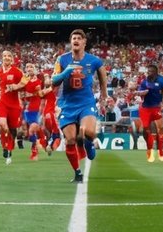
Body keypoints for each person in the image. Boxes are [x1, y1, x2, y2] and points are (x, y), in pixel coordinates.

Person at [51, 29, 108, 183]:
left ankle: (89, 145)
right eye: (73, 38)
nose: (75, 40)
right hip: (67, 104)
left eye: (78, 38)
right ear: (71, 42)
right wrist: (65, 73)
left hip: (86, 103)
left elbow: (103, 75)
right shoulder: (62, 60)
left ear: (84, 42)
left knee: (88, 131)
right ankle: (77, 172)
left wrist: (104, 95)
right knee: (70, 140)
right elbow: (53, 81)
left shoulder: (94, 60)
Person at [133, 63, 163, 163]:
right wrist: (139, 93)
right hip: (145, 109)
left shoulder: (162, 80)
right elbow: (142, 92)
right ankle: (149, 149)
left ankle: (161, 150)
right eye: (148, 71)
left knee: (161, 128)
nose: (149, 73)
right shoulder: (144, 82)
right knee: (145, 130)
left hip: (156, 108)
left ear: (155, 72)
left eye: (151, 71)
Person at [0, 50, 25, 165]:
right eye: (4, 56)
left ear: (12, 58)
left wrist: (16, 86)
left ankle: (9, 148)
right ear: (2, 58)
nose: (6, 58)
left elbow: (25, 82)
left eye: (9, 56)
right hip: (2, 102)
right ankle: (4, 145)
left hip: (14, 105)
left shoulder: (17, 71)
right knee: (3, 125)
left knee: (12, 129)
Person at [21, 62, 47, 161]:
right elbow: (22, 93)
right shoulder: (24, 81)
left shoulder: (38, 81)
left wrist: (29, 94)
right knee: (30, 129)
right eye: (27, 67)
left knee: (32, 129)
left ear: (34, 69)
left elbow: (39, 93)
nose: (29, 68)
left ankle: (34, 152)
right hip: (27, 109)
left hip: (36, 108)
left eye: (31, 66)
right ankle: (42, 139)